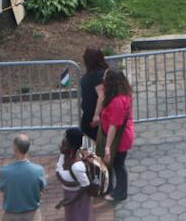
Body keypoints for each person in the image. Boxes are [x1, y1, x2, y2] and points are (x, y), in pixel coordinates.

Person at [98, 69, 134, 203]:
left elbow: (113, 126)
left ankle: (121, 193)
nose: (103, 79)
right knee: (116, 164)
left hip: (120, 139)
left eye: (105, 78)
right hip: (121, 136)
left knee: (119, 164)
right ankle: (114, 189)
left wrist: (107, 146)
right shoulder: (123, 95)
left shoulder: (117, 101)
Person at [0, 133, 45, 218]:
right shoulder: (39, 170)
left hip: (11, 215)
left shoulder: (4, 171)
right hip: (32, 215)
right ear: (28, 148)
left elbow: (2, 189)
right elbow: (41, 189)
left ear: (15, 148)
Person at [55, 127, 95, 221]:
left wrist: (72, 200)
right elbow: (58, 170)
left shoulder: (76, 167)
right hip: (69, 194)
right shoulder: (66, 154)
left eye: (64, 145)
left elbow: (85, 185)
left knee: (79, 217)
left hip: (78, 198)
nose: (60, 146)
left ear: (72, 147)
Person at [77, 47, 107, 143]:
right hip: (91, 111)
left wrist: (96, 115)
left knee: (88, 130)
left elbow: (101, 96)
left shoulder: (97, 75)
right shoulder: (98, 73)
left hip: (93, 112)